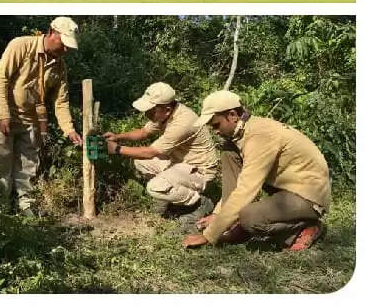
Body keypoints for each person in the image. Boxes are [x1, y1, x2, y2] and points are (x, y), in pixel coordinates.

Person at [181, 90, 331, 251]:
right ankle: (234, 222)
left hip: (309, 196)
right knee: (229, 151)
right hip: (285, 189)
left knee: (250, 218)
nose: (215, 131)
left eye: (216, 125)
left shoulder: (260, 136)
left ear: (232, 115)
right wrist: (218, 215)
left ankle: (302, 228)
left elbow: (246, 190)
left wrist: (209, 235)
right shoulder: (240, 137)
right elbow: (233, 189)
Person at [0, 16, 82, 216]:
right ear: (51, 33)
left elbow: (60, 102)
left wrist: (69, 130)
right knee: (0, 164)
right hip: (4, 113)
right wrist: (4, 114)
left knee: (27, 165)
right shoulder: (21, 46)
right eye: (63, 44)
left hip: (30, 119)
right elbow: (1, 78)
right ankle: (0, 211)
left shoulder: (60, 66)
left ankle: (25, 207)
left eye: (68, 48)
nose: (65, 50)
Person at [104, 82, 218, 231]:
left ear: (167, 109)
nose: (147, 114)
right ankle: (171, 197)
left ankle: (200, 203)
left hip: (200, 172)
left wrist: (117, 149)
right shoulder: (165, 114)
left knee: (154, 187)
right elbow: (143, 132)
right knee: (140, 162)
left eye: (151, 111)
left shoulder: (183, 122)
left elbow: (150, 152)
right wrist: (118, 136)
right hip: (180, 164)